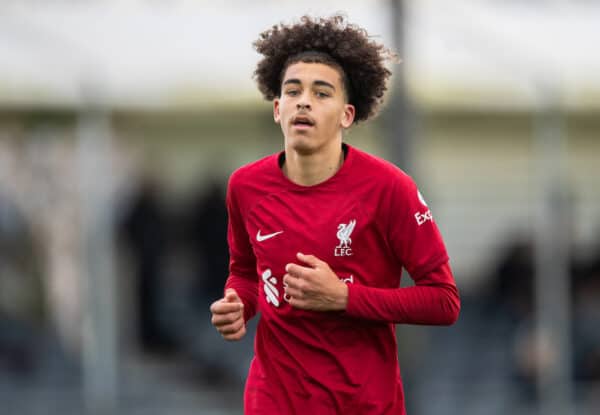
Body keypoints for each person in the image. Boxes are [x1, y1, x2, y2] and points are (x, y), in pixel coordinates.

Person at [210, 15, 460, 414]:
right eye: (293, 91)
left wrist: (345, 297)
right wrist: (237, 303)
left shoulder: (389, 189)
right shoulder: (244, 186)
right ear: (278, 109)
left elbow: (444, 301)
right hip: (273, 399)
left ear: (346, 114)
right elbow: (245, 273)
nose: (304, 100)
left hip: (363, 403)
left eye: (321, 92)